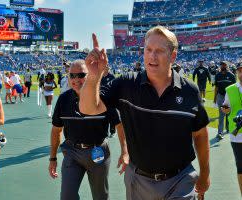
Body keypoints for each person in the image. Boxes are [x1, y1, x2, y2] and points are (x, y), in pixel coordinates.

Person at [79, 26, 210, 200]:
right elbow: (88, 109)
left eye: (159, 51)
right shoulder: (127, 84)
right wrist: (94, 76)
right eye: (148, 50)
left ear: (173, 56)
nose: (152, 56)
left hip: (180, 179)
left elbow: (200, 134)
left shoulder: (189, 91)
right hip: (139, 180)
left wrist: (205, 173)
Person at [48, 60, 128, 200]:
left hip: (98, 152)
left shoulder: (103, 98)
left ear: (90, 75)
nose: (76, 79)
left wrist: (125, 152)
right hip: (72, 152)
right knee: (67, 196)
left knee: (100, 196)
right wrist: (53, 158)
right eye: (72, 75)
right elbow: (56, 130)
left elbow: (119, 125)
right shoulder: (63, 99)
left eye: (81, 75)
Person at [222, 62, 242, 195]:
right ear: (237, 73)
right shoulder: (230, 89)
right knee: (241, 168)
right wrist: (226, 109)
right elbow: (226, 108)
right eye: (240, 71)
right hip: (237, 135)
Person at [214, 61, 236, 140]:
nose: (223, 66)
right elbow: (216, 87)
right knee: (221, 114)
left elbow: (234, 87)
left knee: (229, 114)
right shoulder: (218, 75)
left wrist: (234, 98)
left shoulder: (231, 75)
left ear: (227, 66)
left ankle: (228, 128)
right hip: (220, 96)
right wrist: (214, 98)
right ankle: (220, 132)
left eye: (224, 65)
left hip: (229, 96)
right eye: (221, 65)